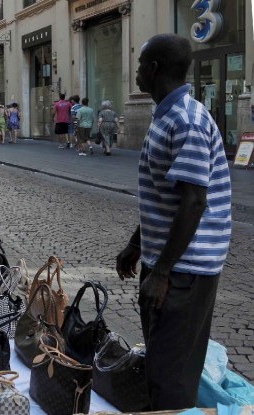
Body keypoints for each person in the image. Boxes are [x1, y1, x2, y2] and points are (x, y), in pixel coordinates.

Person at [116, 34, 231, 411]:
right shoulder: (166, 116)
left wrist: (163, 271)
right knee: (163, 367)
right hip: (168, 265)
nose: (135, 72)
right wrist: (137, 245)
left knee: (171, 376)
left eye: (139, 64)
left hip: (184, 271)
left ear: (153, 69)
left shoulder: (187, 121)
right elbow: (164, 199)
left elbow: (194, 202)